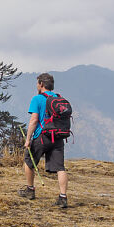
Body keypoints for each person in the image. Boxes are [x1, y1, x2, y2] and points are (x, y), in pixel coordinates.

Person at [18, 73, 69, 208]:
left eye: (37, 83)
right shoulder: (58, 98)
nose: (36, 85)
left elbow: (34, 120)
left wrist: (28, 139)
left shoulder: (37, 99)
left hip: (42, 136)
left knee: (29, 162)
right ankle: (63, 197)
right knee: (60, 167)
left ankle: (30, 190)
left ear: (41, 84)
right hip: (57, 137)